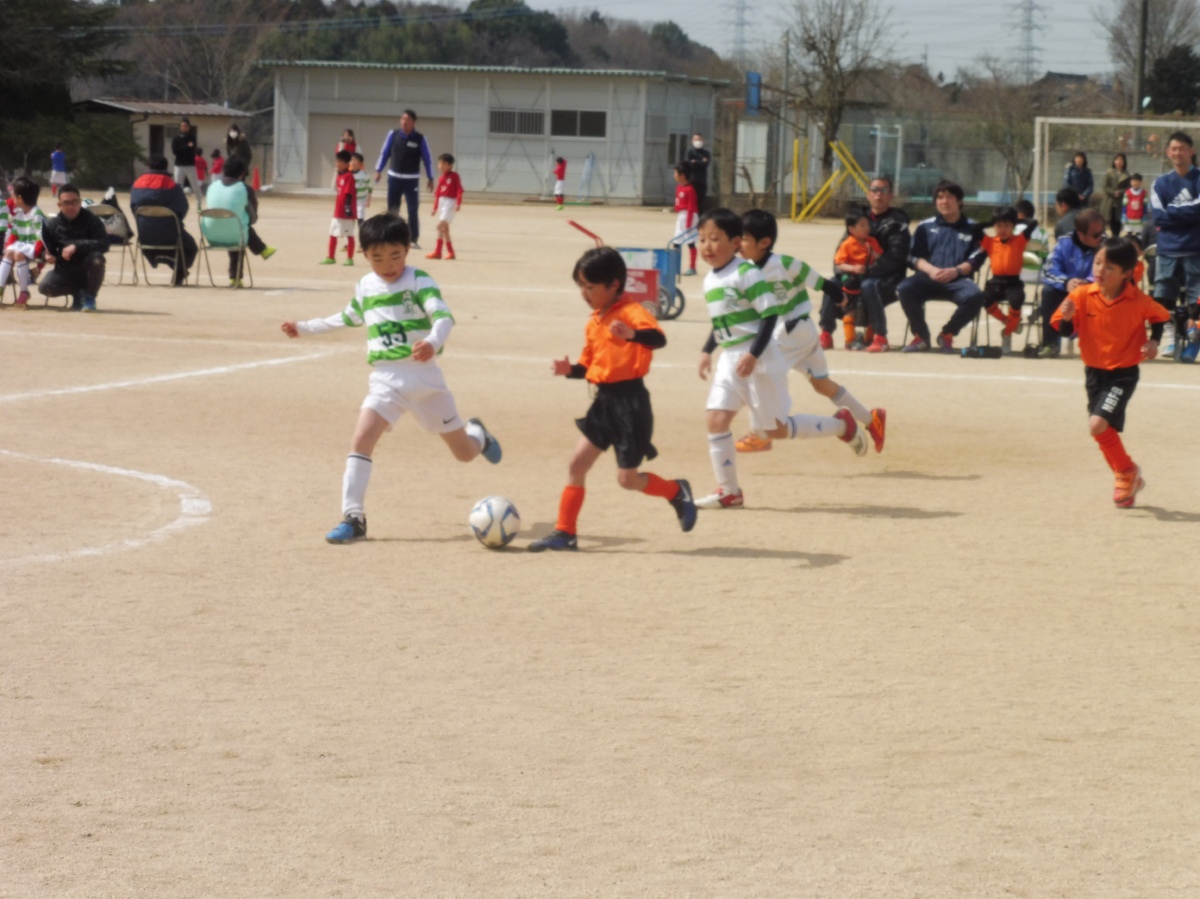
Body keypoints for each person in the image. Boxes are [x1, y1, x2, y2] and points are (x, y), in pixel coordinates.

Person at [280, 213, 502, 544]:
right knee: (361, 440)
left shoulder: (419, 281)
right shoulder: (365, 286)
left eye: (395, 255)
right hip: (385, 379)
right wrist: (304, 327)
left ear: (407, 249)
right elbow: (346, 317)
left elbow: (443, 317)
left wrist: (432, 342)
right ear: (364, 255)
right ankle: (353, 518)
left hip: (426, 381)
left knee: (464, 454)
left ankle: (479, 437)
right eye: (377, 258)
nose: (387, 265)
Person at [694, 208, 867, 510]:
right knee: (716, 420)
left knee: (775, 429)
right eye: (701, 239)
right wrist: (707, 351)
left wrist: (753, 354)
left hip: (758, 358)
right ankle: (729, 491)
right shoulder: (710, 279)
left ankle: (842, 426)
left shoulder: (747, 274)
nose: (707, 246)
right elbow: (722, 322)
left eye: (714, 239)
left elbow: (770, 314)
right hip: (730, 360)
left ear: (735, 242)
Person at [528, 247, 697, 552]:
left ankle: (675, 491)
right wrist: (570, 370)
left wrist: (632, 335)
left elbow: (658, 338)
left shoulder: (632, 312)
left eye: (590, 287)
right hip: (603, 403)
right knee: (577, 464)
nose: (584, 293)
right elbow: (588, 368)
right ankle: (565, 532)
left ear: (614, 285)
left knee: (627, 479)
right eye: (581, 286)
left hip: (631, 404)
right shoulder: (594, 321)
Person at [734, 209, 885, 455]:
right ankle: (871, 418)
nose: (738, 243)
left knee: (757, 369)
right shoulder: (745, 269)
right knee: (822, 384)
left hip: (791, 330)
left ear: (764, 242)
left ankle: (760, 434)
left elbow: (821, 282)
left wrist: (839, 297)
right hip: (801, 333)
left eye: (743, 238)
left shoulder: (784, 264)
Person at [1049, 237, 1169, 508]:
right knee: (1103, 430)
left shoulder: (1137, 300)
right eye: (1097, 263)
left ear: (1127, 273)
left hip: (1122, 373)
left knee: (1097, 424)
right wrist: (1067, 318)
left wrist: (1154, 341)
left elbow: (1160, 316)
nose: (1100, 270)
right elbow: (1065, 330)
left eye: (1110, 267)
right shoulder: (1082, 295)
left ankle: (1125, 473)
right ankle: (1128, 478)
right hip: (1094, 372)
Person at [818, 175, 910, 353]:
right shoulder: (858, 218)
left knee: (869, 285)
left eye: (883, 190)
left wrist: (865, 272)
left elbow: (895, 258)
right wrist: (845, 272)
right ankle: (826, 333)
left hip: (888, 278)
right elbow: (841, 254)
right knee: (833, 283)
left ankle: (880, 337)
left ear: (891, 195)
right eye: (874, 190)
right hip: (856, 274)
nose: (878, 194)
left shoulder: (898, 222)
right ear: (868, 195)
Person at [898, 179, 987, 353]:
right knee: (905, 288)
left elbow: (977, 258)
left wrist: (956, 271)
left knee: (975, 295)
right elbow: (913, 256)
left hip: (958, 280)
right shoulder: (925, 226)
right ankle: (921, 337)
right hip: (928, 278)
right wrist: (932, 270)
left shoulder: (974, 228)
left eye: (949, 197)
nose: (944, 201)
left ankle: (947, 334)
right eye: (940, 197)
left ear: (959, 201)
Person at [1149, 130, 1200, 356]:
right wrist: (1190, 215)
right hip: (1168, 249)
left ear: (1192, 151)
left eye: (1182, 149)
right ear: (1168, 152)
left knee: (1197, 296)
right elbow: (1159, 217)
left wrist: (1172, 210)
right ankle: (1167, 337)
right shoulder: (1160, 183)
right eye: (1174, 149)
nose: (1178, 153)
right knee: (1162, 295)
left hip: (1195, 248)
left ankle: (1194, 337)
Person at [1037, 207, 1105, 357]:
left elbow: (1111, 272)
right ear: (1080, 234)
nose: (1101, 237)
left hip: (1094, 292)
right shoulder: (1063, 243)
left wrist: (1088, 282)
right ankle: (1050, 344)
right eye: (1096, 235)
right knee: (1048, 291)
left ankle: (1103, 345)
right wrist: (1066, 282)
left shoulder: (1106, 245)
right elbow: (1048, 271)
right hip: (1067, 292)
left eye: (1102, 232)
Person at [203, 154, 277, 287]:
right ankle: (235, 278)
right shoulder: (244, 189)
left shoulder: (212, 186)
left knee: (235, 227)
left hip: (210, 235)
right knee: (240, 230)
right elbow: (253, 216)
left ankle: (262, 250)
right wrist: (247, 222)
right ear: (242, 173)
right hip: (235, 234)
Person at [38, 183, 108, 312]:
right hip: (66, 270)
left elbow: (104, 243)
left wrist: (77, 246)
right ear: (59, 205)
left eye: (74, 202)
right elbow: (46, 249)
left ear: (80, 202)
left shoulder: (92, 220)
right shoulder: (52, 225)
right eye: (66, 203)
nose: (71, 206)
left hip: (87, 268)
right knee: (45, 287)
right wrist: (46, 256)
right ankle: (78, 293)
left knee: (97, 259)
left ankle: (90, 297)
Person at [130, 155, 198, 285]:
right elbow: (182, 209)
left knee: (156, 241)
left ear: (148, 167)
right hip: (171, 234)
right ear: (166, 168)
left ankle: (158, 257)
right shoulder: (173, 186)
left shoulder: (136, 184)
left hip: (145, 235)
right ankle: (179, 272)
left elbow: (134, 208)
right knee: (191, 247)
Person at [373, 109, 434, 249]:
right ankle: (392, 237)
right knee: (392, 210)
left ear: (413, 122)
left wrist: (430, 178)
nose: (404, 122)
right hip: (394, 178)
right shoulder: (393, 135)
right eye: (402, 119)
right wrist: (378, 170)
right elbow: (385, 153)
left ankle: (413, 239)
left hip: (411, 180)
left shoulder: (420, 139)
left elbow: (427, 159)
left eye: (407, 120)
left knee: (412, 210)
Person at [979, 206, 1028, 354]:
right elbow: (975, 229)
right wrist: (991, 221)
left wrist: (1017, 220)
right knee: (984, 298)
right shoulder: (990, 241)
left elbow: (1032, 223)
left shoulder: (1019, 240)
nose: (1003, 229)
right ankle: (1010, 323)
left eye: (1007, 225)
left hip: (1013, 283)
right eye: (998, 225)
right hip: (996, 282)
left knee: (1017, 299)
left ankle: (1007, 332)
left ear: (1013, 226)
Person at [833, 207, 883, 348]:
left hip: (868, 281)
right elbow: (839, 263)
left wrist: (873, 253)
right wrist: (853, 268)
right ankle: (850, 340)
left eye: (867, 224)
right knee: (851, 311)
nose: (867, 228)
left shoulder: (872, 241)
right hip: (853, 283)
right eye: (862, 225)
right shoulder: (847, 244)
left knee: (870, 311)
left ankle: (869, 339)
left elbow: (880, 257)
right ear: (851, 229)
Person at [0, 177, 45, 308]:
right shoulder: (19, 213)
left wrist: (35, 251)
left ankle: (24, 291)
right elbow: (14, 233)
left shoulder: (36, 214)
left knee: (18, 254)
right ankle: (1, 287)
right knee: (9, 253)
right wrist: (8, 246)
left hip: (36, 246)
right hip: (24, 245)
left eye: (13, 195)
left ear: (20, 198)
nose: (11, 197)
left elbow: (41, 237)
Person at [321, 150, 357, 266]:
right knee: (332, 233)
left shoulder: (349, 176)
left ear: (346, 164)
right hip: (337, 212)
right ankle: (331, 257)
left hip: (346, 213)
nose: (337, 164)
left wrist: (347, 208)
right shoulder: (339, 175)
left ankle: (350, 258)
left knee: (349, 235)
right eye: (337, 161)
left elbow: (349, 194)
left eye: (340, 162)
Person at [426, 153, 463, 260]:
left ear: (450, 165)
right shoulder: (441, 178)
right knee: (445, 229)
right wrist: (435, 208)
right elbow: (438, 194)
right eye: (439, 163)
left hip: (450, 202)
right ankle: (451, 252)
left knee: (440, 226)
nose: (441, 166)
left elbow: (459, 190)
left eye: (444, 164)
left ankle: (438, 252)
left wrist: (458, 203)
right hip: (442, 202)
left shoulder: (455, 176)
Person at [672, 164, 698, 275]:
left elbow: (691, 207)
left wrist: (689, 223)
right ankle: (675, 267)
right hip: (681, 216)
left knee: (690, 242)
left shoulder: (690, 189)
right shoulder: (679, 187)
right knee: (676, 242)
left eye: (675, 173)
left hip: (688, 216)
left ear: (682, 175)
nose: (674, 175)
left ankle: (692, 267)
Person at [171, 119, 202, 200]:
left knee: (195, 185)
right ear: (180, 127)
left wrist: (181, 148)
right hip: (179, 165)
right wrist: (186, 146)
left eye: (185, 126)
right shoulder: (176, 138)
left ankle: (199, 202)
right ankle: (177, 202)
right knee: (178, 186)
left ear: (189, 127)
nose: (184, 127)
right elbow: (175, 151)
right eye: (182, 126)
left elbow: (191, 150)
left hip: (190, 165)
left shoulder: (192, 137)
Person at [1100, 152, 1130, 236]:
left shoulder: (1126, 174)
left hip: (1120, 202)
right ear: (1114, 161)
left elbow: (1128, 188)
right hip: (1109, 201)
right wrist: (1113, 192)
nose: (1119, 162)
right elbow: (1105, 187)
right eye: (1117, 159)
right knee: (1107, 221)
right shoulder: (1109, 172)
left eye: (1121, 160)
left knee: (1117, 222)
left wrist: (1120, 192)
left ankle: (1116, 238)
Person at [683, 133, 712, 211]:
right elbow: (688, 164)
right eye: (696, 139)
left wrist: (695, 162)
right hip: (691, 181)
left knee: (700, 203)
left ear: (703, 141)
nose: (698, 141)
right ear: (692, 141)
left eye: (699, 139)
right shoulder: (689, 152)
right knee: (690, 202)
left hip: (702, 181)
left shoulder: (706, 153)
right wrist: (700, 162)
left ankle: (699, 217)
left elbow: (705, 164)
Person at [351, 152, 372, 225]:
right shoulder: (348, 175)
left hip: (361, 200)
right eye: (351, 160)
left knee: (360, 218)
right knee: (350, 219)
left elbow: (370, 189)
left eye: (355, 160)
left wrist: (368, 200)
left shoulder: (365, 175)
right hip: (350, 200)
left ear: (360, 163)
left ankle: (361, 231)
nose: (353, 162)